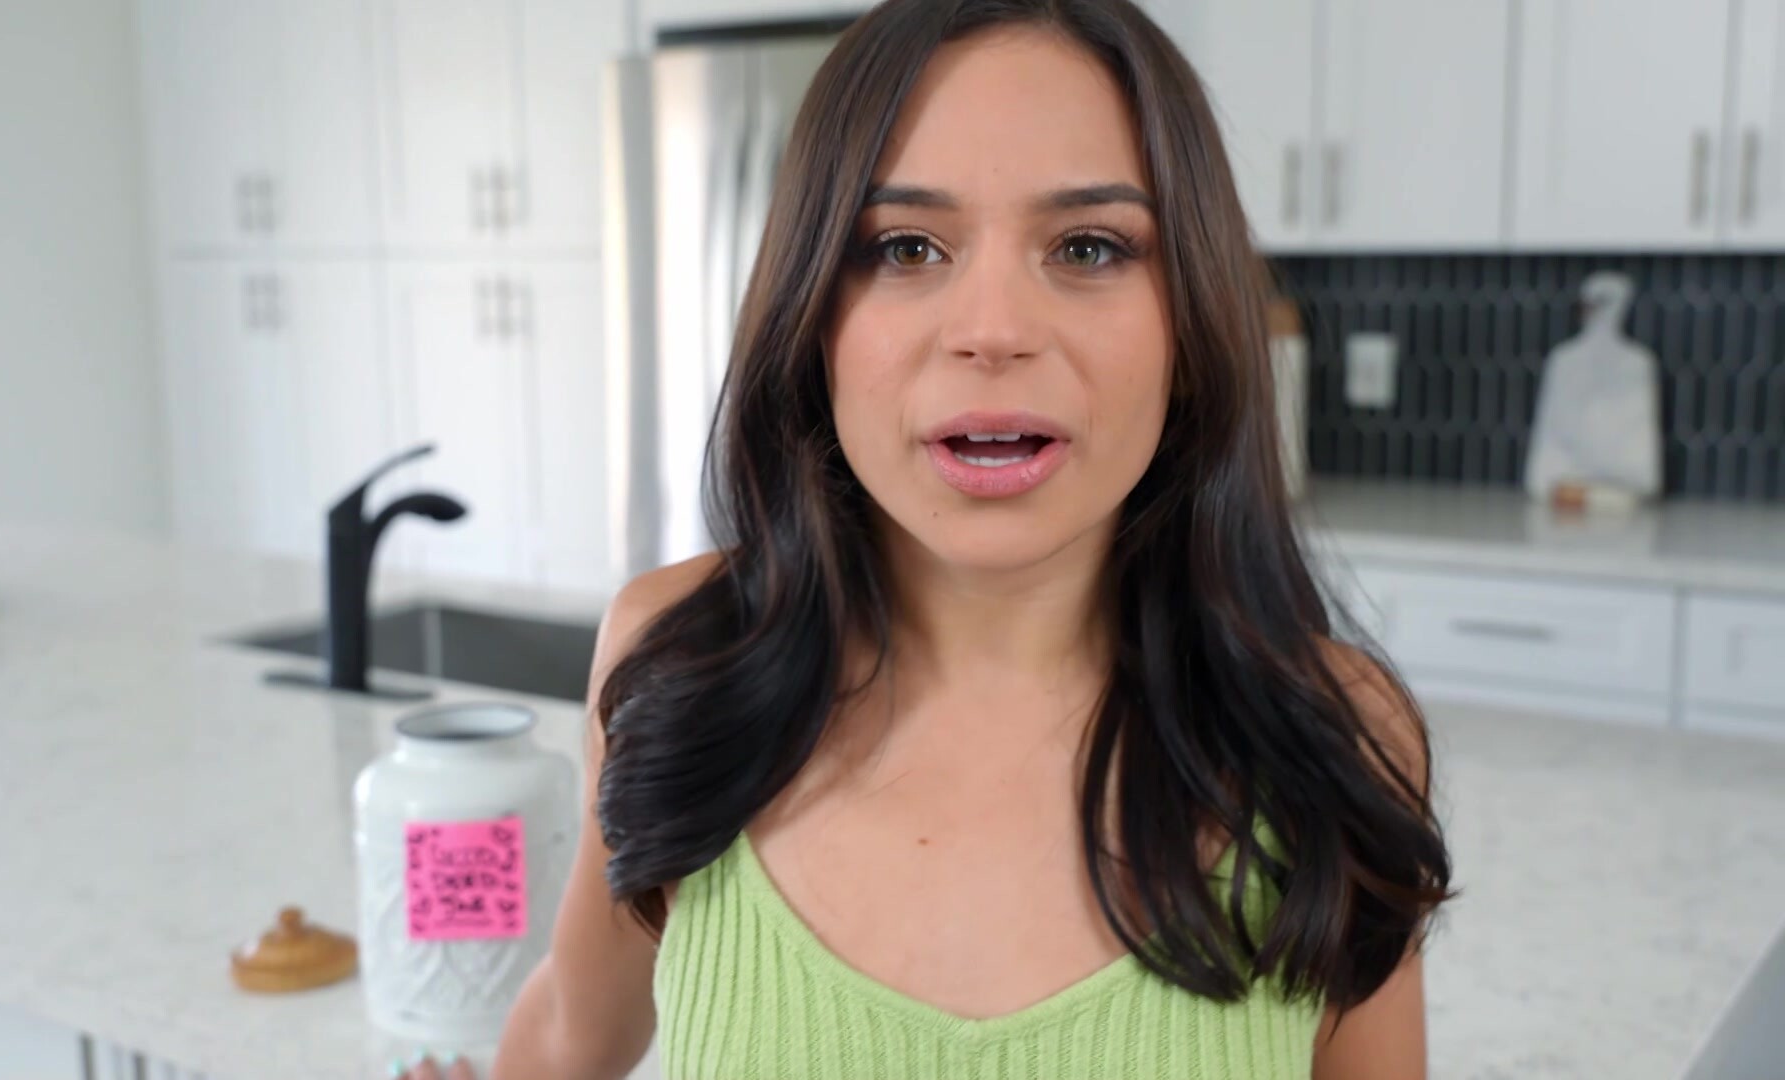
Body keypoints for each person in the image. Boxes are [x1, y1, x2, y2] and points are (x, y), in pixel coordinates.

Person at [407, 0, 1452, 1076]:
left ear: (1191, 321)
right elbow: (570, 1032)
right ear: (814, 315)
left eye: (1088, 246)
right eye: (906, 247)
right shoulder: (677, 660)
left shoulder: (1336, 738)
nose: (992, 330)